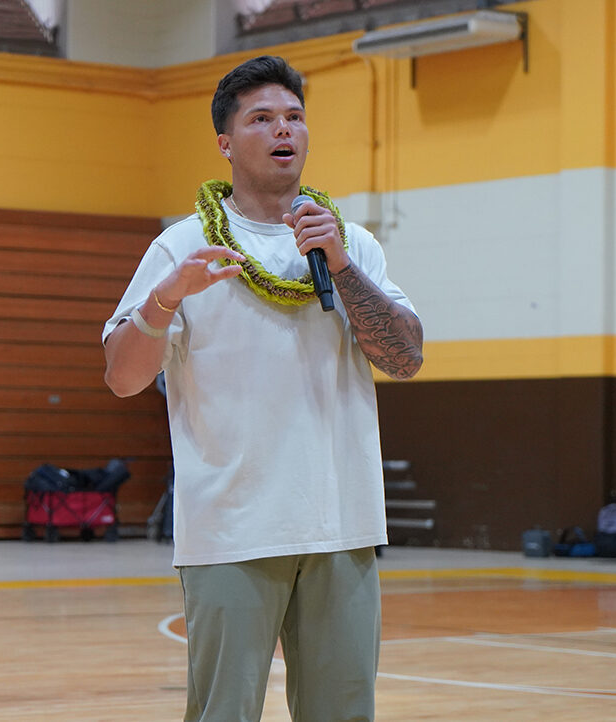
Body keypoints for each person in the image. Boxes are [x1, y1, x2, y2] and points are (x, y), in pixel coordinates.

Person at [100, 55, 423, 721]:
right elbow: (124, 378)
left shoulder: (350, 243)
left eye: (295, 117)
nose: (284, 129)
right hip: (231, 531)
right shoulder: (183, 247)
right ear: (225, 143)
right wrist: (166, 299)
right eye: (262, 118)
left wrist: (341, 266)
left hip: (343, 527)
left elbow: (405, 357)